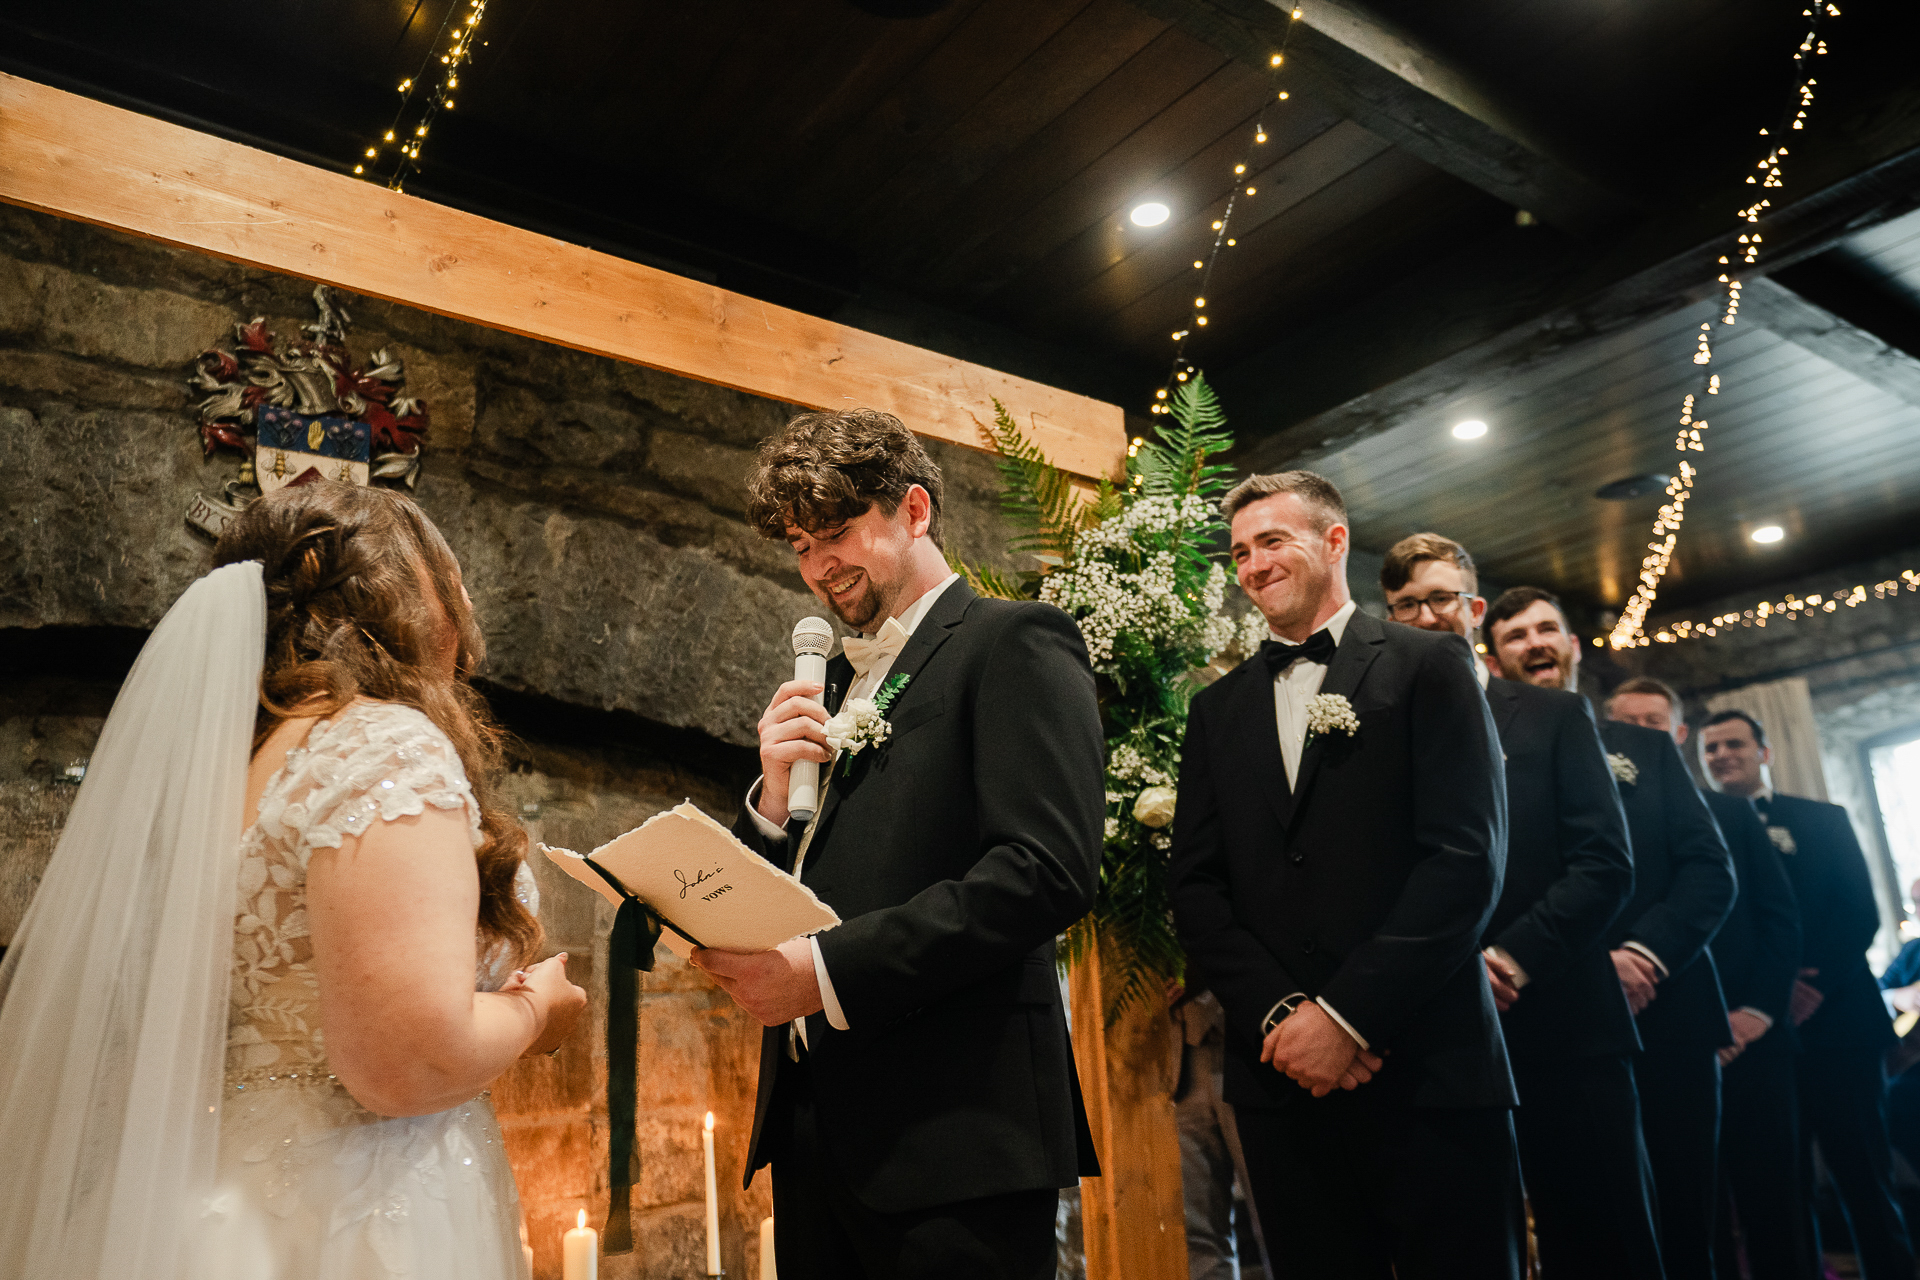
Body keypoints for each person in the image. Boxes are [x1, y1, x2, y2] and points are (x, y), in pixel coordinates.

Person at [0, 481, 586, 1280]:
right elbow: (403, 1063)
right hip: (352, 1210)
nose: (469, 597)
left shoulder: (234, 763)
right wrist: (534, 1007)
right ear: (401, 599)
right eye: (449, 575)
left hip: (225, 1189)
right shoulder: (384, 747)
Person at [696, 409, 1103, 1280]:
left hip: (955, 1131)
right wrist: (771, 800)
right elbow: (805, 879)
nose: (818, 567)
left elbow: (1046, 870)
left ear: (914, 510)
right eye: (802, 547)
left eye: (836, 533)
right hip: (816, 1132)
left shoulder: (1012, 642)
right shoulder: (831, 681)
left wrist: (825, 971)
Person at [1170, 474, 1523, 1280]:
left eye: (1272, 542)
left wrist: (1348, 1017)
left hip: (1430, 1066)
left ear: (1335, 542)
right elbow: (1196, 886)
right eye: (1240, 552)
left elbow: (1467, 861)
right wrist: (1285, 1016)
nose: (1252, 565)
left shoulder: (1430, 664)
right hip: (1281, 1081)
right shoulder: (1216, 711)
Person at [1383, 537, 1661, 1280]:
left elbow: (1605, 864)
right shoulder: (1379, 732)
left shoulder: (1551, 715)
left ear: (1473, 610)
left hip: (1565, 1021)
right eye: (1407, 604)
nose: (1427, 615)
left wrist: (1508, 960)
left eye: (1442, 598)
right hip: (1444, 1042)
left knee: (1605, 1243)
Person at [1489, 588, 1736, 1279]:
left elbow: (1709, 872)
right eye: (1516, 636)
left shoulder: (1645, 751)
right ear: (1495, 658)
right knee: (1593, 1224)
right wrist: (1593, 962)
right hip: (1564, 1021)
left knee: (1688, 1216)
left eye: (1547, 629)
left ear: (1572, 645)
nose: (1535, 643)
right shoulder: (1490, 765)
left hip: (1668, 1014)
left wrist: (1642, 954)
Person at [1607, 680, 1811, 1280]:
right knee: (1692, 1208)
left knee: (1775, 1200)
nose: (1644, 733)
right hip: (1663, 1032)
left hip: (1750, 1038)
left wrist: (1755, 1015)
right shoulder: (1602, 812)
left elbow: (1778, 919)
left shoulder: (1729, 811)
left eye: (1655, 722)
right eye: (1629, 723)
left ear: (1677, 734)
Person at [1703, 710, 1915, 1279]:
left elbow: (1858, 912)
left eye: (1734, 743)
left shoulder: (1823, 819)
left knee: (1865, 1178)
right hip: (1760, 1041)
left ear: (1765, 752)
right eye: (1711, 747)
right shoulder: (1698, 829)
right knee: (1782, 1192)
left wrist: (1803, 982)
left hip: (1838, 1024)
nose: (1722, 754)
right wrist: (1771, 993)